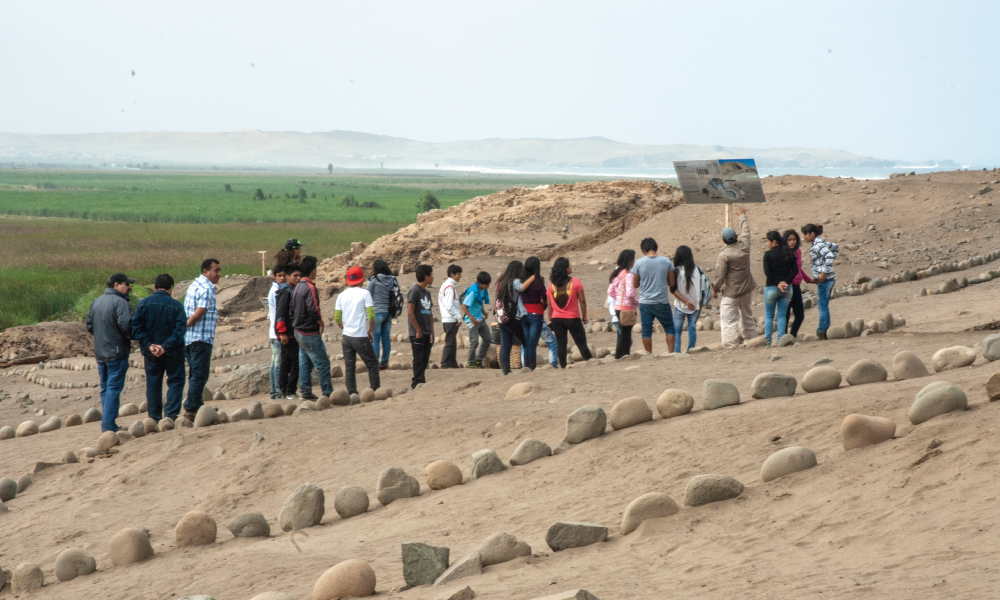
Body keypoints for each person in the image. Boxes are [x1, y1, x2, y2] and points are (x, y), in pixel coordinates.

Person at [131, 273, 187, 422]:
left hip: (151, 353)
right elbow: (180, 330)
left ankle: (154, 418)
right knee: (176, 381)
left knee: (153, 383)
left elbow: (136, 328)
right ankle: (171, 415)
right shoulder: (177, 306)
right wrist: (165, 346)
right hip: (173, 351)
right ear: (171, 288)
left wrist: (150, 345)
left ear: (154, 287)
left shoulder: (143, 304)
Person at [87, 272, 135, 432]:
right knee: (113, 388)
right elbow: (126, 324)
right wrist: (131, 337)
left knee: (105, 388)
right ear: (116, 285)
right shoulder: (120, 302)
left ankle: (108, 424)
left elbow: (89, 325)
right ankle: (108, 425)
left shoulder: (96, 302)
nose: (130, 287)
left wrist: (103, 336)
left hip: (100, 352)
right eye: (127, 284)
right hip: (116, 352)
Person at [712, 205, 757, 348]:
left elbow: (720, 276)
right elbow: (746, 231)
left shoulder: (724, 255)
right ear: (736, 237)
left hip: (731, 292)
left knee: (728, 319)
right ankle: (750, 340)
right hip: (746, 289)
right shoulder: (744, 246)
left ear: (724, 240)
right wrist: (742, 216)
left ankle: (731, 345)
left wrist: (715, 289)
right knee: (747, 316)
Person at [183, 258, 221, 420]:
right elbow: (199, 312)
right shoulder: (206, 288)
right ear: (206, 271)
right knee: (200, 374)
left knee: (195, 373)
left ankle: (197, 404)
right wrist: (186, 325)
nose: (219, 274)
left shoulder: (195, 284)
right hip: (201, 337)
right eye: (216, 270)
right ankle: (191, 408)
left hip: (191, 338)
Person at [292, 255, 333, 399]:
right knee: (322, 363)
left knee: (305, 363)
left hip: (298, 330)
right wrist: (321, 323)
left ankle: (305, 391)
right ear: (313, 271)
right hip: (309, 331)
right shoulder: (309, 287)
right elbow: (314, 309)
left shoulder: (297, 287)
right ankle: (328, 393)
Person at [336, 266, 380, 395]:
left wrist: (344, 328)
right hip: (360, 335)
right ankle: (375, 390)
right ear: (361, 280)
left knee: (350, 367)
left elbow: (337, 317)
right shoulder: (364, 293)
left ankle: (352, 392)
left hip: (347, 337)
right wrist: (370, 330)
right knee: (372, 364)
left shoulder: (341, 295)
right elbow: (371, 314)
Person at [631, 238, 677, 353]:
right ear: (656, 247)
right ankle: (671, 353)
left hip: (645, 302)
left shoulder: (638, 263)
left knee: (646, 329)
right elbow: (672, 283)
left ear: (643, 250)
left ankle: (648, 354)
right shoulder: (666, 262)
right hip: (662, 301)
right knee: (669, 328)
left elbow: (635, 284)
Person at [546, 257, 591, 368]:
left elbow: (550, 305)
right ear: (564, 269)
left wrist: (550, 320)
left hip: (557, 319)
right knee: (581, 344)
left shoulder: (550, 285)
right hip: (573, 318)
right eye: (569, 266)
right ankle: (591, 362)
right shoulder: (575, 282)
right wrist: (584, 316)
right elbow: (582, 301)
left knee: (561, 345)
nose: (570, 267)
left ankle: (563, 367)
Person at [802, 223, 839, 340]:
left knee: (822, 306)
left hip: (826, 279)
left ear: (812, 234)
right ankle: (825, 329)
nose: (804, 237)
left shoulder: (818, 244)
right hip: (826, 278)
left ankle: (822, 330)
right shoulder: (820, 242)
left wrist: (823, 272)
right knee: (824, 306)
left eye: (805, 234)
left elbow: (828, 255)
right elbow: (835, 248)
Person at [763, 231, 798, 347]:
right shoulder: (788, 253)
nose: (766, 243)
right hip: (787, 288)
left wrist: (777, 283)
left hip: (771, 288)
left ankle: (768, 341)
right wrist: (785, 282)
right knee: (782, 315)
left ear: (773, 242)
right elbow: (796, 271)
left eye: (767, 241)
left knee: (769, 315)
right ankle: (780, 340)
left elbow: (767, 273)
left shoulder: (768, 255)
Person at [496, 260, 529, 375]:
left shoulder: (502, 281)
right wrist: (532, 277)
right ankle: (528, 366)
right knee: (526, 341)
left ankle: (506, 370)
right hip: (512, 317)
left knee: (505, 344)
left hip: (501, 316)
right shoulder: (515, 282)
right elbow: (522, 288)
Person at [366, 259, 399, 371]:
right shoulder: (393, 279)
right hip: (389, 313)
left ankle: (375, 364)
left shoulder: (374, 280)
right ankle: (384, 363)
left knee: (375, 339)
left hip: (377, 312)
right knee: (386, 340)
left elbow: (366, 294)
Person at [274, 262, 301, 399]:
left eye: (299, 275)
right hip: (286, 332)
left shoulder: (287, 290)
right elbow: (281, 313)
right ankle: (290, 390)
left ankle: (283, 389)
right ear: (288, 276)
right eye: (295, 275)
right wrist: (283, 332)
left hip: (285, 332)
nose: (298, 278)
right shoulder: (287, 292)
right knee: (296, 361)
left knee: (285, 361)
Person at [671, 246, 704, 354]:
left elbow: (673, 290)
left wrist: (685, 301)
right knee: (692, 329)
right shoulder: (698, 270)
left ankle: (676, 351)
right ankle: (691, 350)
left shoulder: (676, 271)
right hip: (695, 305)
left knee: (677, 330)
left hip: (681, 305)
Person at [407, 264, 435, 388]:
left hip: (427, 331)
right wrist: (418, 330)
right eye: (431, 274)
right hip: (417, 332)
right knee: (418, 359)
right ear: (426, 276)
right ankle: (416, 383)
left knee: (424, 359)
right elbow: (410, 312)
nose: (433, 277)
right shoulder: (414, 291)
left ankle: (421, 381)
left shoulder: (427, 293)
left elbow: (430, 312)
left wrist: (432, 331)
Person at [783, 229, 813, 338]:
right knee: (785, 315)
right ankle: (784, 337)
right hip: (787, 286)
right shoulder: (784, 253)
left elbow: (799, 268)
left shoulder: (798, 252)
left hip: (796, 287)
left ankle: (793, 335)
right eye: (789, 240)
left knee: (800, 315)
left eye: (794, 239)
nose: (792, 242)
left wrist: (808, 279)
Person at [518, 257, 547, 370]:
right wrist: (543, 305)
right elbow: (545, 297)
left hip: (524, 314)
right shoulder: (538, 280)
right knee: (532, 344)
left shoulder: (521, 280)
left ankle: (526, 367)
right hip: (536, 313)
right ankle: (532, 368)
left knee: (526, 343)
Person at [608, 249, 638, 359]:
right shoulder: (629, 275)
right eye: (633, 259)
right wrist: (636, 303)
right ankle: (623, 356)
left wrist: (620, 297)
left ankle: (620, 356)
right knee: (626, 335)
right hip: (627, 308)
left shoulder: (618, 274)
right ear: (630, 261)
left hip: (618, 308)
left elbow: (610, 291)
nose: (634, 262)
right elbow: (630, 293)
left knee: (623, 335)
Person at [462, 271, 492, 368]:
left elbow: (479, 303)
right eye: (487, 284)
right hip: (472, 319)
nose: (488, 286)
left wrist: (484, 312)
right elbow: (464, 306)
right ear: (481, 283)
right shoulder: (472, 292)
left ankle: (478, 360)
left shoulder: (482, 290)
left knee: (488, 338)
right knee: (474, 341)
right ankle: (471, 362)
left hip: (479, 318)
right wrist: (471, 318)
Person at [437, 264, 464, 369]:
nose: (460, 276)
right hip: (450, 318)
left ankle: (452, 363)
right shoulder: (449, 287)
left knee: (452, 341)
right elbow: (449, 305)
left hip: (446, 317)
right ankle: (444, 362)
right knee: (450, 341)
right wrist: (458, 317)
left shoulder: (445, 285)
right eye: (458, 274)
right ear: (452, 274)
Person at [267, 263, 286, 400]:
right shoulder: (276, 292)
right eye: (280, 275)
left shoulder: (275, 290)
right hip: (277, 332)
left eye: (284, 275)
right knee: (278, 363)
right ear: (274, 276)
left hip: (274, 331)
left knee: (274, 363)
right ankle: (278, 391)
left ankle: (274, 391)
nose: (283, 278)